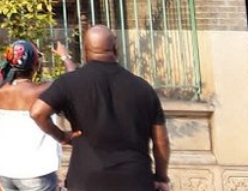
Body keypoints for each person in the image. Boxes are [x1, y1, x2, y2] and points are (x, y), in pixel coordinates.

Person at [29, 25, 171, 191]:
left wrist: (61, 136)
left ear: (84, 50)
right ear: (115, 48)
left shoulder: (69, 83)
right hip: (135, 179)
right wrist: (161, 177)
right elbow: (161, 141)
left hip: (86, 180)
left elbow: (37, 112)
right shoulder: (143, 88)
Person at [0, 40, 74, 191]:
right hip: (36, 171)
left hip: (5, 170)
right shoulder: (44, 90)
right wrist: (64, 56)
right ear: (35, 66)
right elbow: (73, 80)